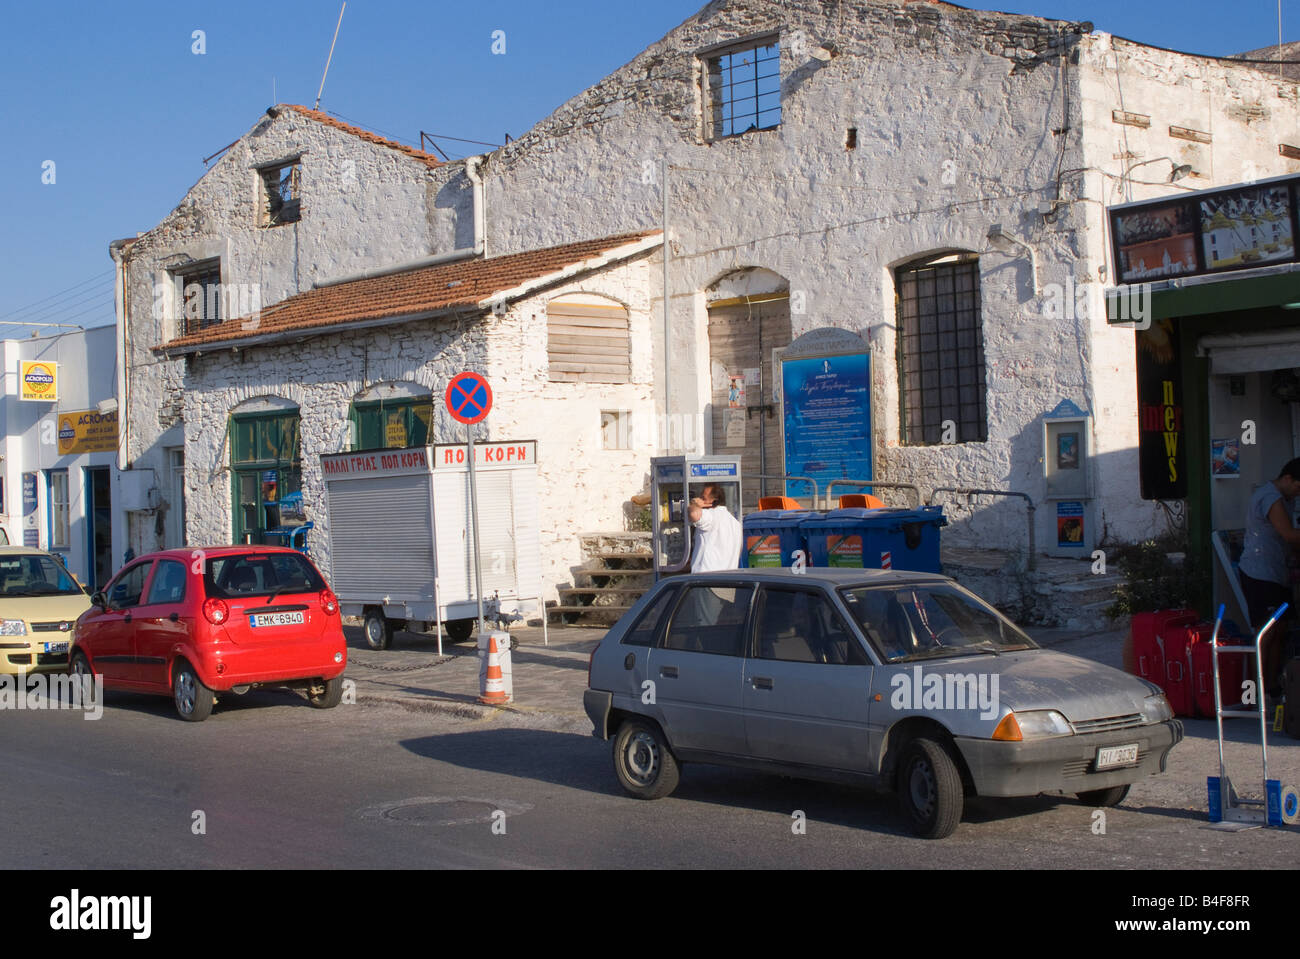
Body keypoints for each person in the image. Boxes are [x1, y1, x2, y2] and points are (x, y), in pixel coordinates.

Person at [1239, 457, 1300, 702]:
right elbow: (1288, 534)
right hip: (1259, 573)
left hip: (1277, 572)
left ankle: (1273, 685)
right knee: (1266, 632)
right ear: (1287, 478)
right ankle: (1256, 690)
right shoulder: (1270, 497)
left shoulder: (1287, 499)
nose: (1298, 493)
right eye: (1298, 486)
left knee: (1281, 630)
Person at [687, 483, 741, 573]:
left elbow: (694, 514)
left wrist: (694, 504)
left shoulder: (711, 515)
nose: (699, 500)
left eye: (703, 498)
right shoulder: (736, 523)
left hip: (706, 578)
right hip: (729, 578)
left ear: (713, 501)